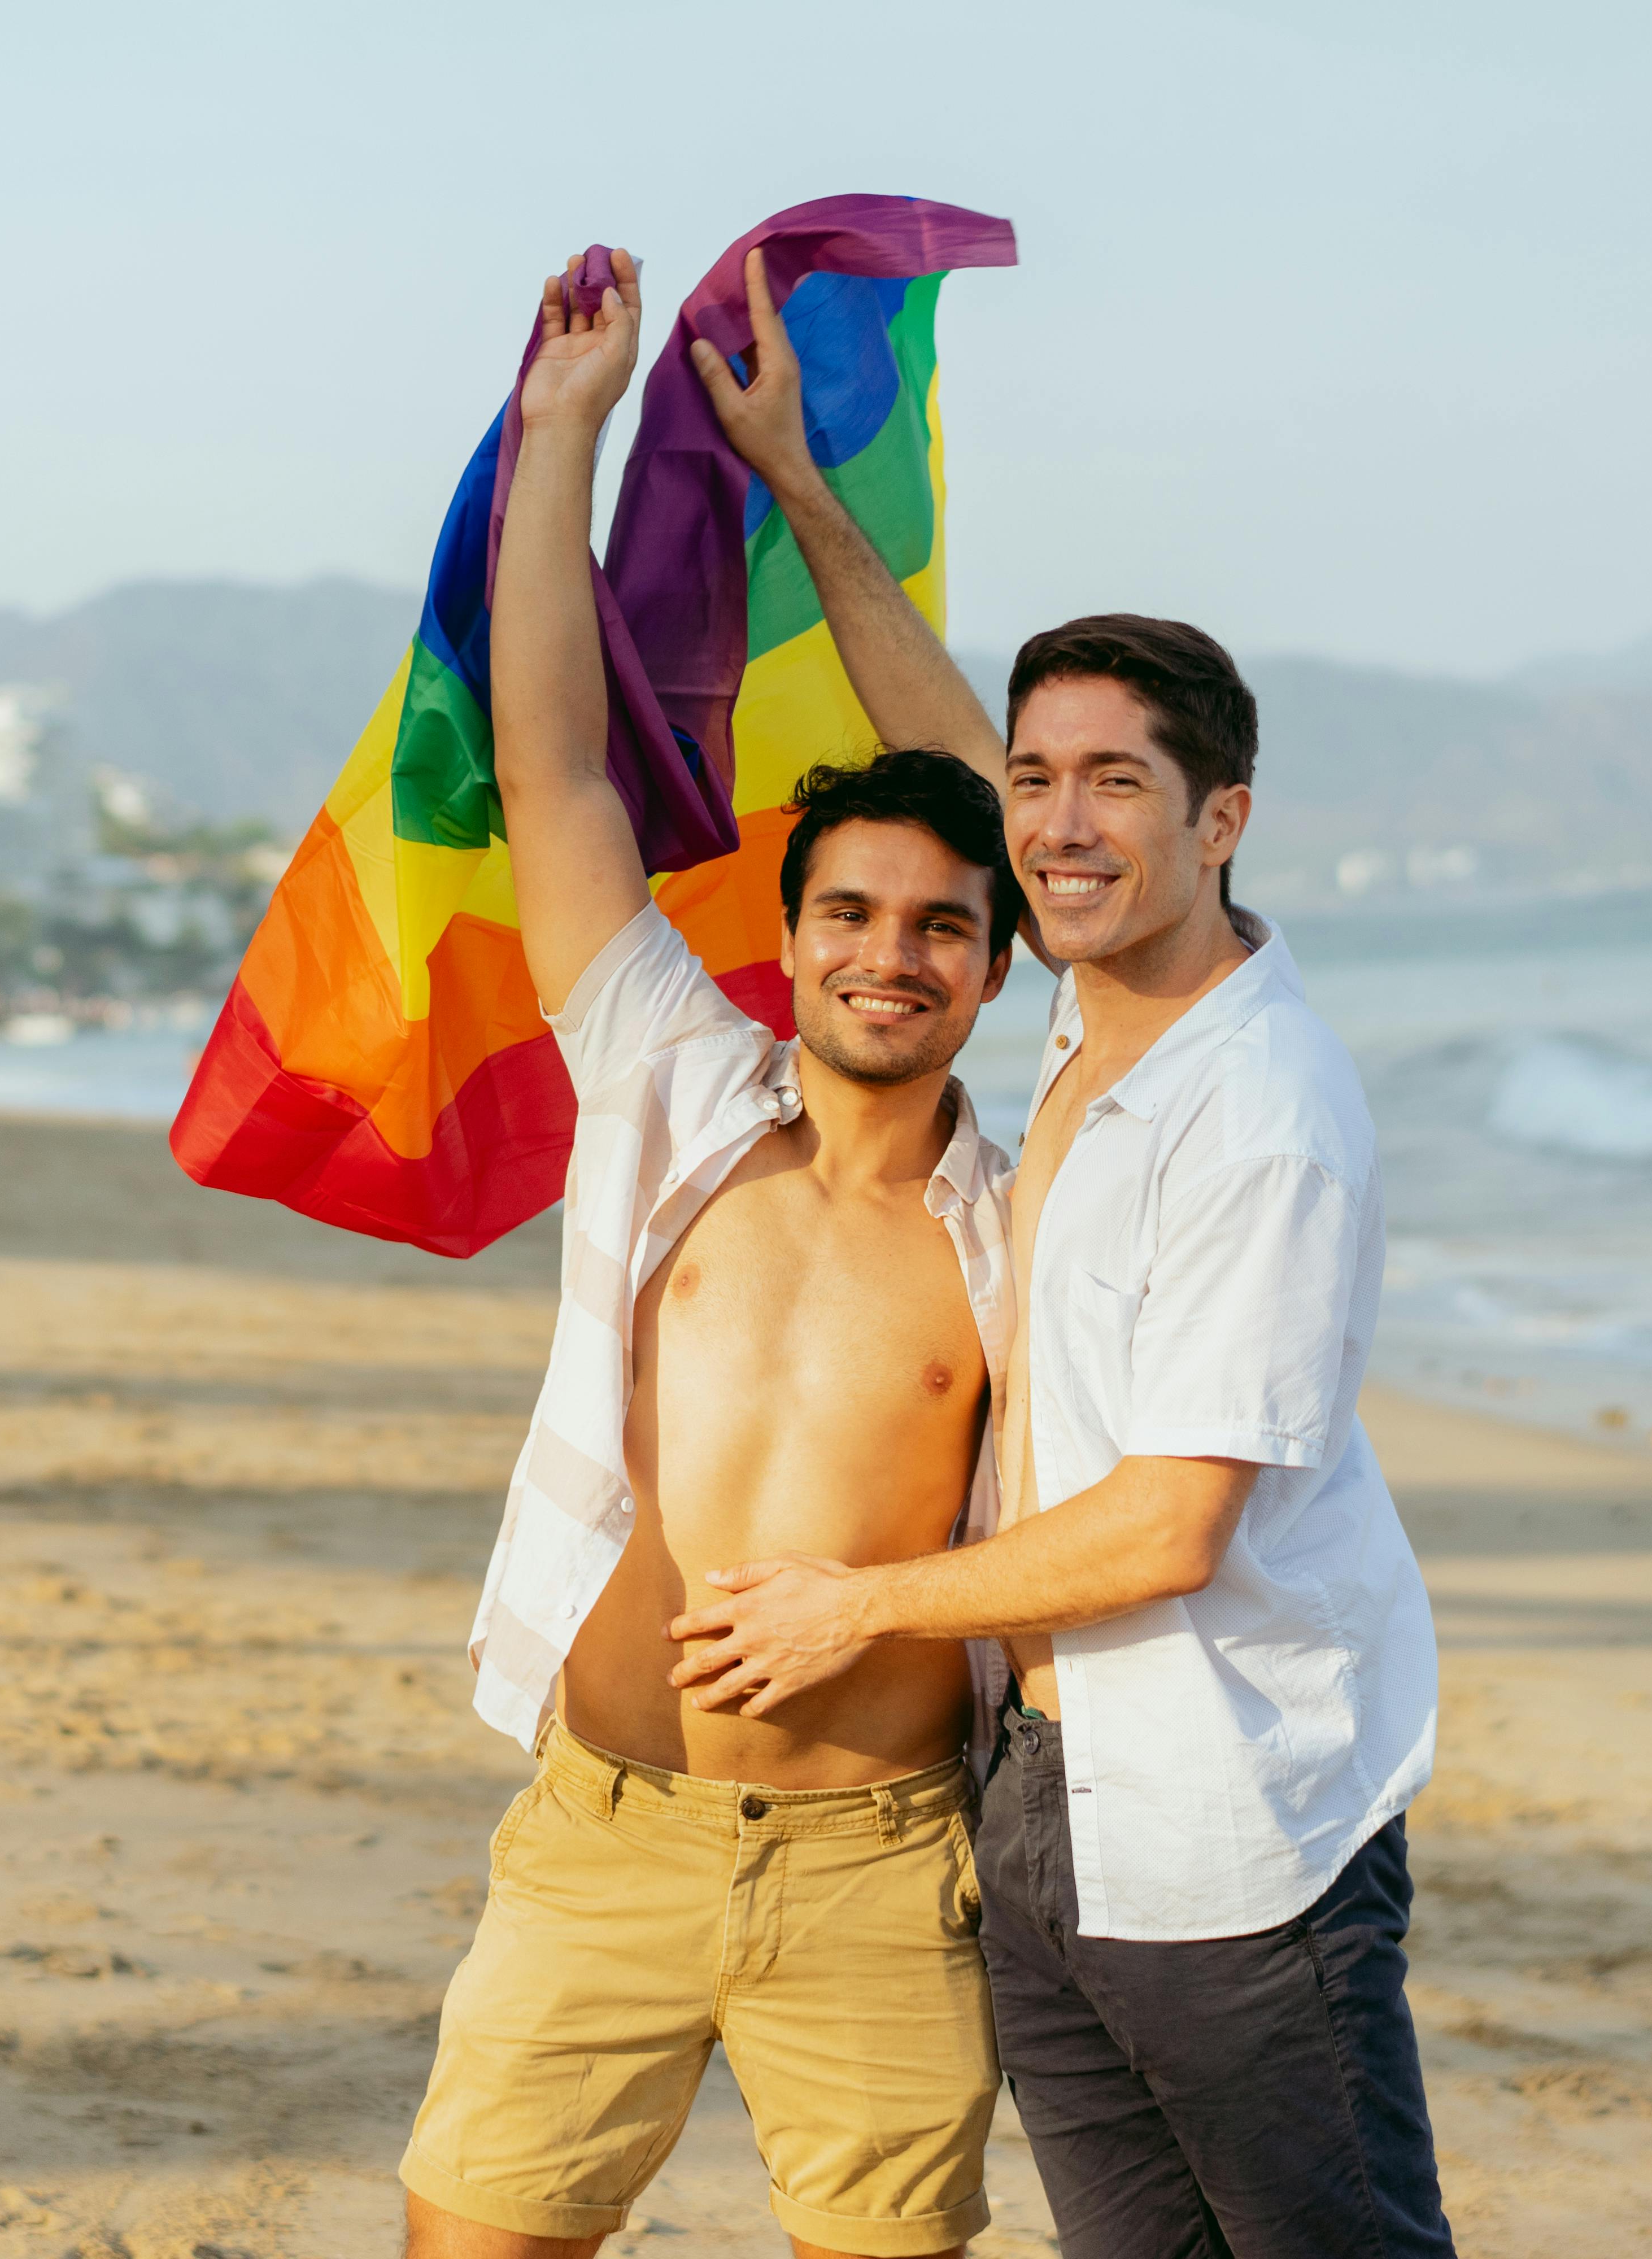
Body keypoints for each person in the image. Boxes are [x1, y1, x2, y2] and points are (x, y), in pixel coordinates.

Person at [667, 256, 1457, 2257]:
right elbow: (942, 728)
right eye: (1039, 780)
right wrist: (798, 485)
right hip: (1050, 1790)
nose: (1061, 823)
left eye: (1120, 782)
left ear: (1225, 822)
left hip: (1230, 1808)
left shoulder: (1258, 1112)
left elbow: (1171, 1526)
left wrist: (861, 1610)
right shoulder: (1102, 1009)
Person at [399, 250, 1022, 2259]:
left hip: (877, 1866)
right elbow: (551, 771)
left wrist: (801, 488)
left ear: (996, 964)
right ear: (791, 927)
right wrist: (561, 434)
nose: (888, 952)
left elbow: (1003, 810)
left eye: (940, 925)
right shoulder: (667, 1074)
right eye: (849, 912)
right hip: (602, 1833)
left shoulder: (1036, 1208)